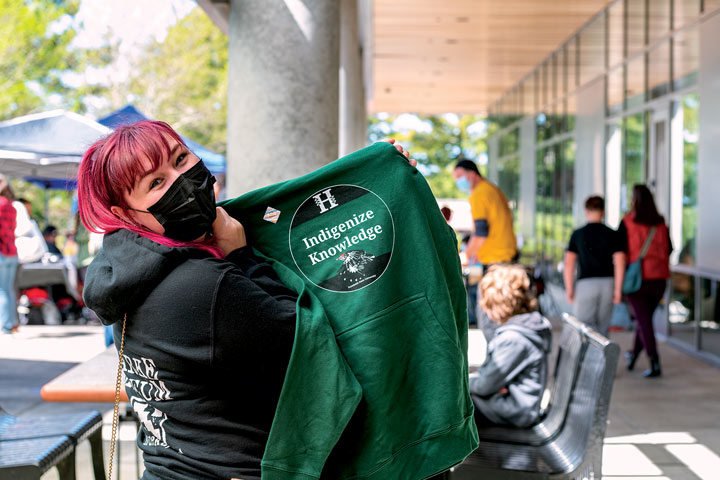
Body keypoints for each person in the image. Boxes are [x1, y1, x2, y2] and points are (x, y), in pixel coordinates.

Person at [78, 121, 418, 480]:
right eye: (155, 183)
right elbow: (310, 355)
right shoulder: (203, 284)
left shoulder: (125, 271)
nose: (181, 180)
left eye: (180, 158)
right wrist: (243, 259)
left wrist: (381, 176)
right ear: (125, 214)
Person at [468, 264, 552, 428]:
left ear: (496, 303)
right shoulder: (525, 328)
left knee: (449, 404)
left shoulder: (513, 339)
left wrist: (464, 384)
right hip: (513, 405)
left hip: (514, 411)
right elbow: (490, 380)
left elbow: (485, 385)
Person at [618, 184, 671, 378]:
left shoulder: (628, 222)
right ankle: (633, 355)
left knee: (644, 321)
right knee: (644, 320)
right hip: (659, 279)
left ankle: (654, 361)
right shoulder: (661, 223)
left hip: (637, 280)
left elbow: (620, 252)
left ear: (634, 200)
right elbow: (669, 249)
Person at [563, 196, 625, 337]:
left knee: (583, 329)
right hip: (608, 284)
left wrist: (569, 288)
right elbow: (620, 262)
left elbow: (569, 264)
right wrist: (618, 290)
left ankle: (587, 359)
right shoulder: (612, 234)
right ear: (603, 212)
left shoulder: (578, 234)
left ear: (586, 211)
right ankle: (601, 359)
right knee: (603, 330)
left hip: (585, 284)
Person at [453, 159, 517, 267]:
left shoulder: (479, 194)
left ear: (472, 173)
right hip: (507, 253)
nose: (458, 181)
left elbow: (481, 231)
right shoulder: (492, 189)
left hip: (496, 258)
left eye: (460, 176)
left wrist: (466, 255)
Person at [0, 175, 18, 335]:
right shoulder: (11, 206)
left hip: (2, 251)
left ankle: (5, 326)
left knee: (3, 290)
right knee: (8, 290)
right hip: (12, 251)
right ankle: (12, 323)